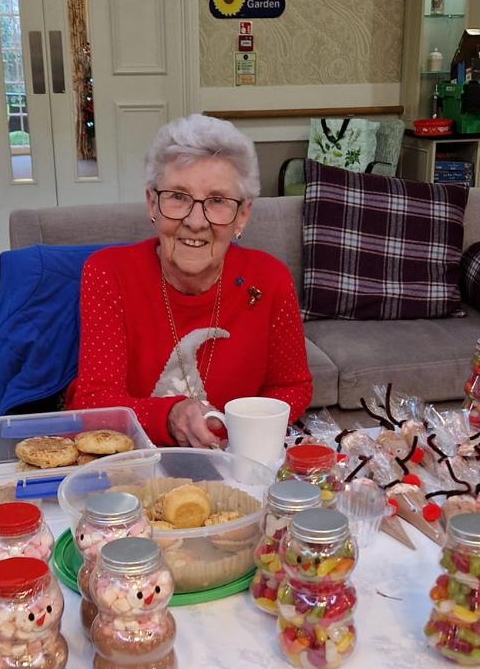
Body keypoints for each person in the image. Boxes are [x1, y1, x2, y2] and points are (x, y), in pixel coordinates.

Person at [68, 114, 312, 447]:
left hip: (232, 465)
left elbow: (293, 386)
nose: (195, 221)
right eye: (178, 197)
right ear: (152, 203)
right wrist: (169, 416)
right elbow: (93, 404)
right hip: (135, 467)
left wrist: (237, 430)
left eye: (217, 201)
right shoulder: (108, 274)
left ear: (242, 215)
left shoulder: (269, 280)